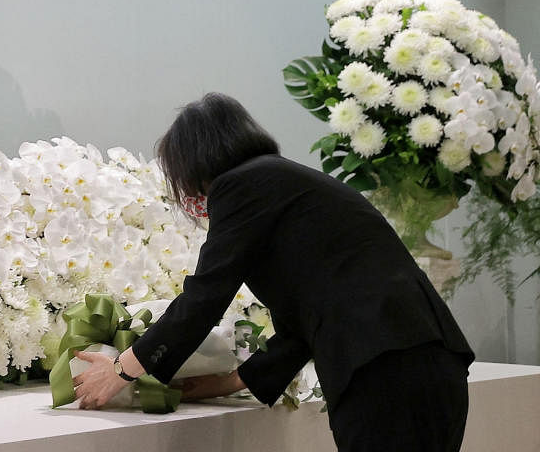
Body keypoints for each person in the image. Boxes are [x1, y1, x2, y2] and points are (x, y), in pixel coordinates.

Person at [72, 93, 473, 452]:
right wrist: (228, 383)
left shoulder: (241, 186)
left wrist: (121, 370)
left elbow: (205, 296)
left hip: (383, 373)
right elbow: (301, 326)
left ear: (194, 162)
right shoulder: (285, 182)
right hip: (428, 364)